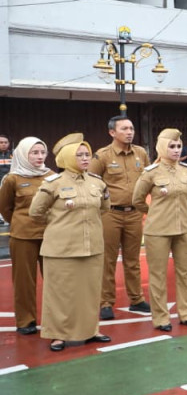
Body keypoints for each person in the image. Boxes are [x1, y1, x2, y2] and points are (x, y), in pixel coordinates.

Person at [29, 133, 111, 351]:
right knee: (60, 294)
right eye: (80, 155)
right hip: (61, 248)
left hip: (91, 246)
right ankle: (58, 335)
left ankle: (90, 330)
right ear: (66, 158)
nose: (85, 159)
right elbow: (36, 212)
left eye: (87, 154)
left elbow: (104, 208)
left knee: (90, 291)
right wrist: (59, 222)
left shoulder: (97, 183)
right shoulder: (54, 183)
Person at [131, 129, 187, 332]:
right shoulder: (151, 172)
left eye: (178, 146)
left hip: (185, 227)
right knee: (158, 275)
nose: (176, 150)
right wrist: (154, 214)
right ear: (162, 147)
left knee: (186, 272)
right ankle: (161, 318)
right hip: (158, 229)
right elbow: (137, 200)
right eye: (171, 146)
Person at [88, 115, 151, 320]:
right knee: (108, 260)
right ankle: (105, 302)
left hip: (134, 213)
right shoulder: (102, 156)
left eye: (131, 128)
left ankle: (137, 299)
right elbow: (91, 183)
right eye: (124, 128)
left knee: (133, 260)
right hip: (110, 214)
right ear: (112, 132)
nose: (130, 132)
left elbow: (149, 180)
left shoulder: (141, 153)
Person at [0, 136, 55, 334]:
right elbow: (6, 208)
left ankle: (56, 319)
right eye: (34, 153)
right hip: (23, 237)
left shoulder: (51, 175)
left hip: (49, 235)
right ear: (24, 154)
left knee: (55, 279)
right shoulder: (12, 179)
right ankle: (26, 321)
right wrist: (20, 222)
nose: (39, 157)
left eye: (42, 152)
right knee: (24, 282)